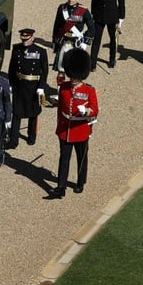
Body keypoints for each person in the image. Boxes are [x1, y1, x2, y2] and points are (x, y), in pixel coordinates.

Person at [50, 49, 98, 198]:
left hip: (81, 129)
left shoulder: (89, 90)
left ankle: (80, 181)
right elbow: (60, 109)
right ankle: (61, 186)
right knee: (63, 160)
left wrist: (86, 112)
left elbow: (95, 110)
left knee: (81, 159)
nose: (73, 79)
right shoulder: (64, 88)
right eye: (73, 76)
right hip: (66, 129)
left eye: (76, 77)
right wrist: (59, 126)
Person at [7, 28, 48, 149]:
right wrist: (11, 83)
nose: (24, 41)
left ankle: (31, 136)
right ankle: (13, 140)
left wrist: (41, 86)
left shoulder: (40, 51)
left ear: (32, 38)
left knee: (33, 113)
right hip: (20, 84)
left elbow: (45, 71)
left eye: (27, 39)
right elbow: (12, 68)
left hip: (33, 85)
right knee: (16, 113)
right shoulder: (17, 49)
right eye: (23, 39)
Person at [51, 0, 95, 78]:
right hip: (64, 41)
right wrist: (54, 40)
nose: (70, 0)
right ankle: (60, 89)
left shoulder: (83, 11)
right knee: (60, 68)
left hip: (76, 42)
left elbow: (91, 28)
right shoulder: (62, 8)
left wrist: (85, 41)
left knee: (74, 69)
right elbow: (57, 25)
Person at [89, 0, 125, 70]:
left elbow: (121, 0)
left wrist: (121, 18)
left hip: (112, 16)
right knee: (96, 40)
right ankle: (92, 63)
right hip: (99, 15)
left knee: (113, 40)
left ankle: (112, 59)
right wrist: (93, 12)